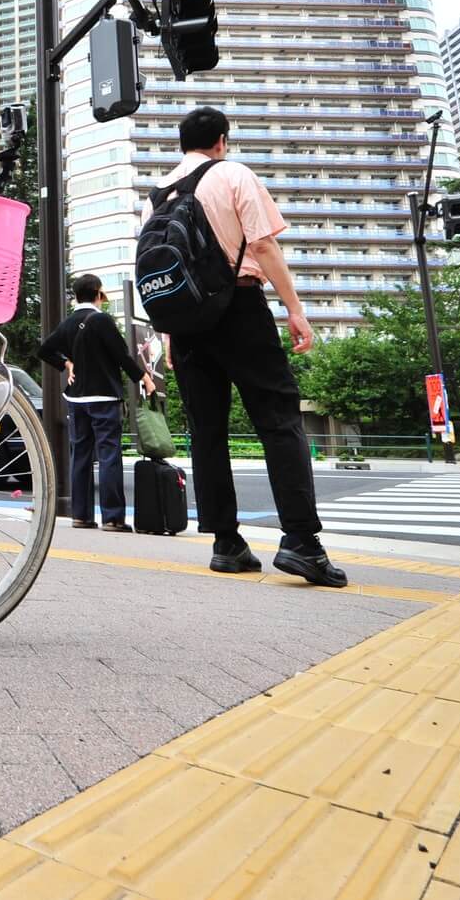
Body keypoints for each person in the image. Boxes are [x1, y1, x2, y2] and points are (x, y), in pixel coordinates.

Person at [157, 106, 345, 587]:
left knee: (207, 432)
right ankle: (301, 541)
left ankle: (227, 543)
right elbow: (262, 246)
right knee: (279, 420)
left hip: (185, 322)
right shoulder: (232, 173)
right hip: (238, 307)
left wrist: (167, 338)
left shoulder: (159, 194)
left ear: (183, 144)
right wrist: (295, 309)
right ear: (222, 139)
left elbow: (162, 273)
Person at [39, 274, 153, 531]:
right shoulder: (101, 320)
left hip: (76, 398)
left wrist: (66, 364)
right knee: (109, 455)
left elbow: (45, 349)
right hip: (103, 397)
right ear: (98, 293)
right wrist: (143, 378)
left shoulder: (68, 323)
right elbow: (122, 355)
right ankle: (112, 517)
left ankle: (81, 516)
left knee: (80, 455)